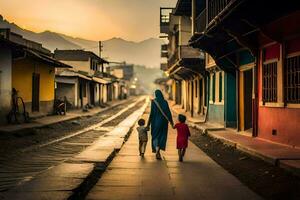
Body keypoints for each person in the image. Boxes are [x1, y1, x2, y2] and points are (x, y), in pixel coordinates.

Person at [147, 90, 173, 160]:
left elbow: (151, 114)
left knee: (155, 136)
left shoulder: (153, 102)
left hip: (155, 123)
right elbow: (168, 113)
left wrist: (148, 124)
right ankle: (158, 150)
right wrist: (172, 122)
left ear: (156, 95)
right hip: (164, 123)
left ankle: (157, 149)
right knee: (162, 136)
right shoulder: (165, 102)